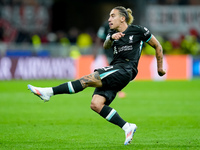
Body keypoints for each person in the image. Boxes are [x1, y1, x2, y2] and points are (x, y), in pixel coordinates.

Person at [28, 6, 166, 145]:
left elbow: (157, 46)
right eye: (109, 16)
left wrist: (160, 68)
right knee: (96, 104)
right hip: (116, 69)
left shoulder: (139, 31)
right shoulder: (112, 32)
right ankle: (127, 127)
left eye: (112, 16)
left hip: (125, 69)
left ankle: (49, 92)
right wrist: (111, 38)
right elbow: (106, 45)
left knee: (86, 80)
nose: (109, 19)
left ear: (122, 18)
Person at [96, 21, 126, 98]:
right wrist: (95, 51)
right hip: (109, 51)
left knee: (115, 69)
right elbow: (99, 37)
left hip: (119, 50)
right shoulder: (106, 25)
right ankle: (116, 89)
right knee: (114, 69)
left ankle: (112, 87)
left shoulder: (121, 25)